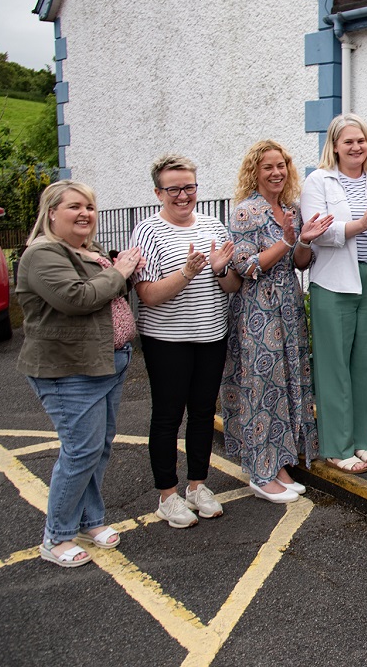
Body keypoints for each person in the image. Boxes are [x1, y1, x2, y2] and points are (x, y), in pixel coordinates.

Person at [17, 181, 144, 566]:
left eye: (90, 206)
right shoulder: (42, 255)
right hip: (68, 369)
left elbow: (110, 294)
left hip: (107, 362)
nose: (85, 213)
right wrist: (120, 271)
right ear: (51, 212)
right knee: (81, 450)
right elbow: (78, 298)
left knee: (98, 447)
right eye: (74, 206)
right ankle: (56, 536)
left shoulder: (84, 251)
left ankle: (90, 519)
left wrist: (123, 271)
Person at [221, 140, 334, 502]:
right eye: (267, 167)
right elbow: (246, 266)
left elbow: (301, 262)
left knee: (286, 385)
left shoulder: (291, 208)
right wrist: (287, 242)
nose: (276, 172)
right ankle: (261, 470)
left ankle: (281, 463)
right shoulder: (245, 213)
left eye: (281, 165)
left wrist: (301, 241)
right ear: (254, 172)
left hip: (288, 306)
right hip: (257, 311)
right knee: (262, 385)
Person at [131, 154, 240, 528]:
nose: (182, 195)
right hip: (167, 340)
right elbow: (148, 295)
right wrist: (187, 272)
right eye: (173, 189)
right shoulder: (147, 231)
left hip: (211, 335)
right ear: (158, 192)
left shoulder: (214, 226)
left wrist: (220, 268)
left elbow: (232, 285)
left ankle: (197, 486)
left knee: (202, 414)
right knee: (167, 416)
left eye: (189, 187)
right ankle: (167, 495)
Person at [302, 114, 367, 475]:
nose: (357, 147)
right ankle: (336, 446)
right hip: (334, 282)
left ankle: (361, 441)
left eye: (362, 141)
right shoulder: (319, 181)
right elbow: (317, 232)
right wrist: (361, 225)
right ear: (335, 147)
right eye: (348, 142)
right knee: (334, 367)